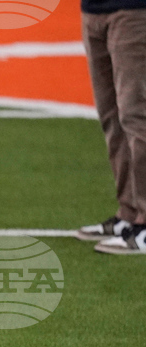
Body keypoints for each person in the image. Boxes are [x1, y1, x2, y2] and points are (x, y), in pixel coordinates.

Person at [77, 0, 146, 254]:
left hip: (134, 10)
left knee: (136, 115)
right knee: (112, 115)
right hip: (94, 8)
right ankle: (129, 213)